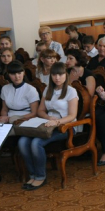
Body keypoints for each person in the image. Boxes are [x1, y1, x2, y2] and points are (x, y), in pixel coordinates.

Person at [18, 62, 79, 191]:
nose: (57, 77)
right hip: (47, 124)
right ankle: (33, 174)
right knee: (22, 142)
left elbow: (72, 115)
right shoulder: (48, 89)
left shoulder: (71, 91)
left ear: (66, 75)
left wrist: (57, 122)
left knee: (36, 143)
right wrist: (49, 118)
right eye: (54, 75)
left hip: (66, 126)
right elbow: (40, 111)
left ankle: (41, 176)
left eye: (60, 74)